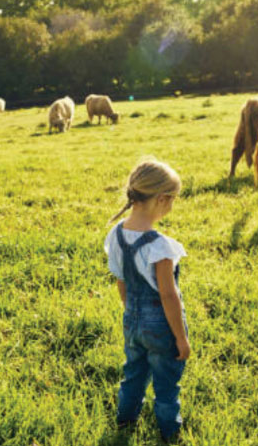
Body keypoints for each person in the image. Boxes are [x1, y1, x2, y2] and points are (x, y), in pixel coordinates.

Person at [104, 159, 190, 443]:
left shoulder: (115, 235)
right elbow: (168, 295)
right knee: (166, 384)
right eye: (173, 200)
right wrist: (181, 338)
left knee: (133, 375)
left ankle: (125, 422)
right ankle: (169, 434)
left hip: (131, 320)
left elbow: (121, 280)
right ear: (162, 199)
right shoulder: (160, 246)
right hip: (161, 327)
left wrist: (131, 312)